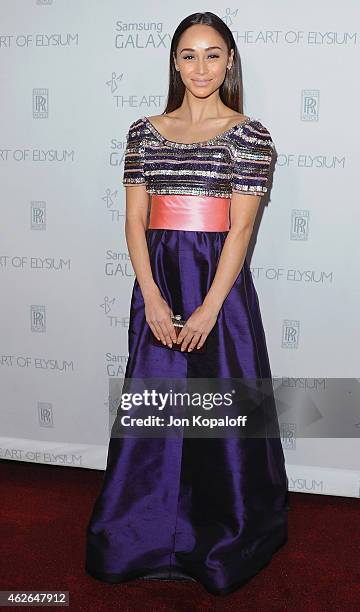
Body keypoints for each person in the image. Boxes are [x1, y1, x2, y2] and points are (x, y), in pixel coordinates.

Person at [85, 11, 289, 597]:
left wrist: (209, 307)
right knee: (158, 404)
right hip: (158, 283)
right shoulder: (143, 131)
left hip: (217, 286)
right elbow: (133, 218)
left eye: (213, 54)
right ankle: (142, 531)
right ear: (174, 63)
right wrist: (150, 294)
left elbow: (241, 232)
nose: (201, 67)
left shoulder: (250, 134)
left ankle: (222, 532)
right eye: (189, 55)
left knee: (219, 410)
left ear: (230, 63)